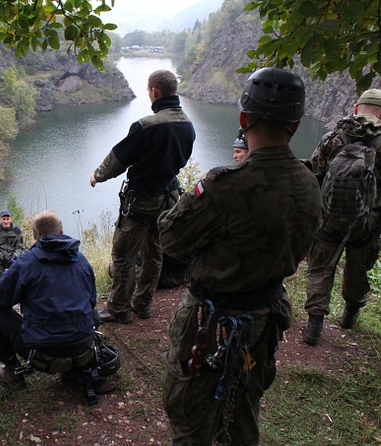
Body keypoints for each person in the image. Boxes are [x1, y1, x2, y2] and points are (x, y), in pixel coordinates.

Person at [158, 68, 322, 444]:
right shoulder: (308, 183)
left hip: (209, 320)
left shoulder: (224, 186)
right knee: (244, 408)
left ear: (244, 118)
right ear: (295, 125)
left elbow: (171, 240)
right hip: (264, 316)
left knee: (189, 414)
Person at [90, 69, 196, 323]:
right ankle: (143, 304)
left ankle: (119, 309)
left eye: (148, 90)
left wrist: (97, 176)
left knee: (124, 254)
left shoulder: (147, 126)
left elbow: (119, 158)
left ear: (154, 92)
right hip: (170, 195)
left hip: (142, 199)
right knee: (155, 252)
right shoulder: (188, 125)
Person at [0, 210, 98, 390]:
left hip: (43, 357)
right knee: (90, 313)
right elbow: (91, 302)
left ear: (35, 236)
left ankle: (12, 370)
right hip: (84, 351)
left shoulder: (25, 263)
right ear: (61, 231)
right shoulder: (82, 261)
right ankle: (72, 370)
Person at [304, 89, 381, 345]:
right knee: (358, 272)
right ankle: (349, 318)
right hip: (366, 224)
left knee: (320, 270)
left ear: (357, 108)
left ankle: (314, 327)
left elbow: (316, 174)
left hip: (328, 220)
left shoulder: (333, 138)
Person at [0, 209, 24, 286]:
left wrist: (15, 256)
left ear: (11, 219)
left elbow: (20, 246)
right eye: (4, 219)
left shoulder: (17, 231)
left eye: (7, 219)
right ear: (0, 219)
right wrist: (2, 256)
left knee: (20, 282)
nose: (6, 221)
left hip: (14, 261)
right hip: (0, 261)